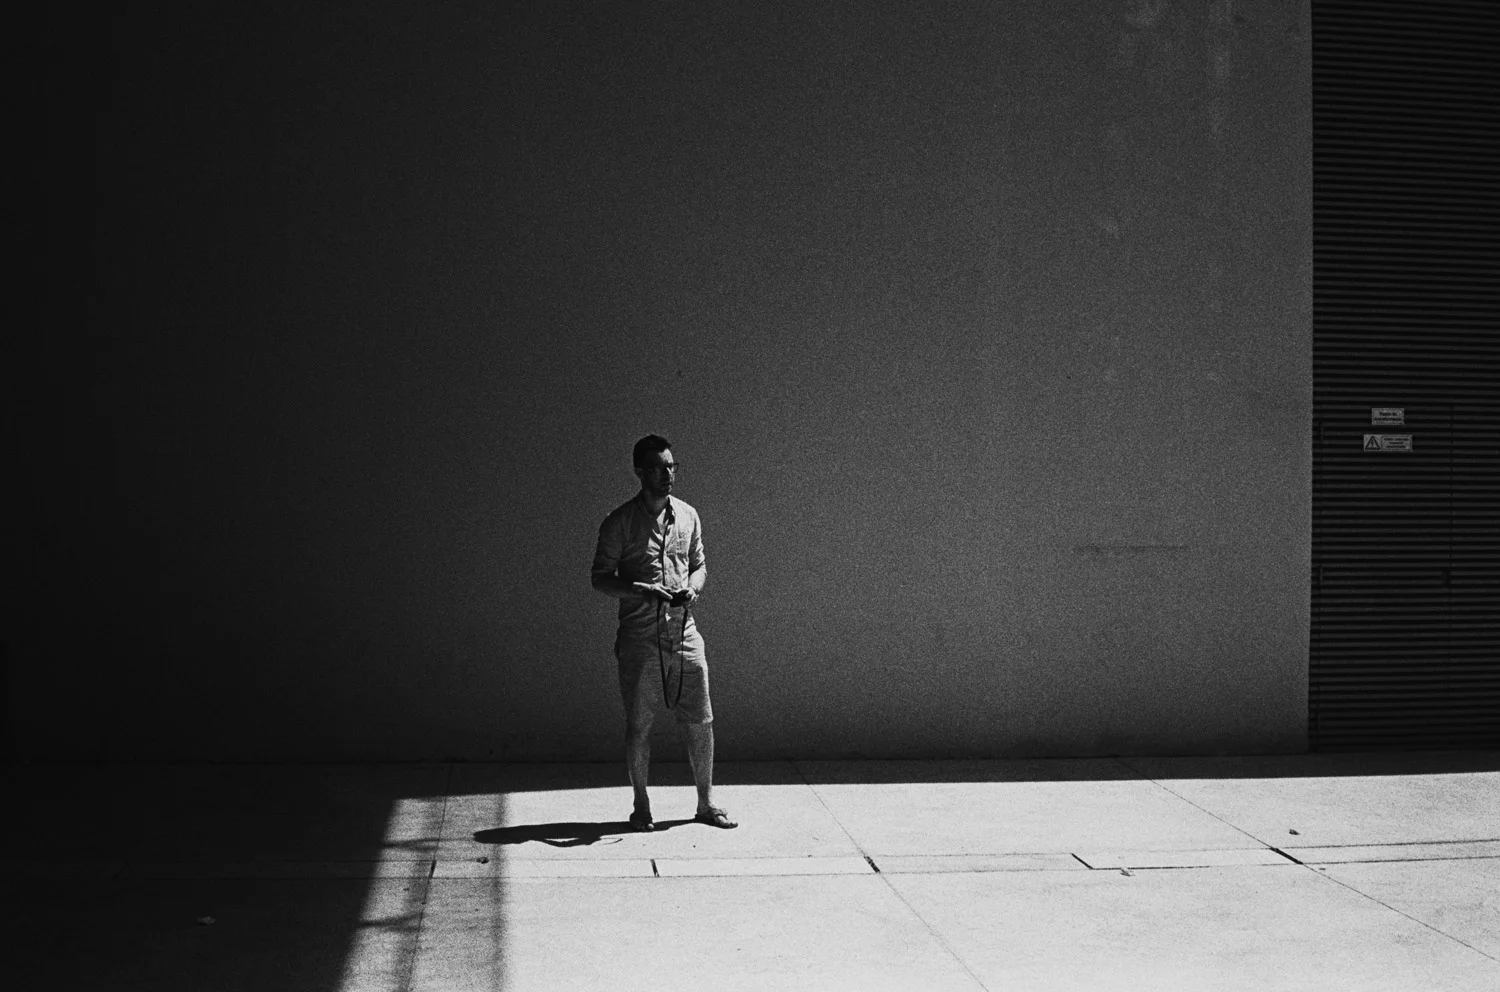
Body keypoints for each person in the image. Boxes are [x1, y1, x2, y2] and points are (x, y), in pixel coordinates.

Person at [591, 434, 737, 831]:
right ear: (639, 472)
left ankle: (706, 803)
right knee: (640, 724)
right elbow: (600, 577)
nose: (667, 474)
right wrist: (641, 589)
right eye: (657, 468)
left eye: (671, 466)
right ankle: (641, 805)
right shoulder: (619, 522)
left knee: (701, 720)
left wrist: (693, 588)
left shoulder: (688, 515)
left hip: (684, 632)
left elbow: (699, 565)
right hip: (640, 637)